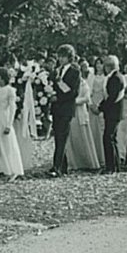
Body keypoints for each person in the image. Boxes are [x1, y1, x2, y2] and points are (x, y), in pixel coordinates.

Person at [0, 67, 24, 183]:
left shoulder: (10, 90)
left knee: (6, 145)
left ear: (2, 77)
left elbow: (12, 108)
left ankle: (12, 170)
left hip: (3, 118)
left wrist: (8, 124)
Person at [48, 44, 80, 177]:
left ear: (70, 58)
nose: (61, 59)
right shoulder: (56, 71)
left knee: (62, 137)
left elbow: (73, 92)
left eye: (64, 56)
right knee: (58, 138)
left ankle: (56, 167)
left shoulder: (74, 71)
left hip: (66, 108)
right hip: (56, 109)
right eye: (59, 56)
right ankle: (63, 166)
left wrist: (58, 98)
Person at [66, 60, 101, 171]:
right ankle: (74, 162)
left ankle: (87, 161)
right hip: (72, 111)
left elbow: (86, 98)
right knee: (72, 136)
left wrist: (74, 101)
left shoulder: (83, 83)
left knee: (83, 137)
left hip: (80, 110)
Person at [98, 55, 125, 173]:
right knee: (111, 138)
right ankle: (115, 165)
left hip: (113, 111)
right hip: (112, 112)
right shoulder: (114, 76)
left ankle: (111, 166)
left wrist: (100, 107)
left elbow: (112, 97)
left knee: (108, 138)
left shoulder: (115, 78)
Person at [88, 56, 106, 167]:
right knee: (93, 130)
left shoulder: (106, 77)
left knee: (102, 129)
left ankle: (103, 155)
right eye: (97, 63)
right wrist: (91, 105)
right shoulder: (92, 77)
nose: (99, 66)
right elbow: (88, 92)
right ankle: (94, 156)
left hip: (103, 103)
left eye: (101, 63)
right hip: (93, 102)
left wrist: (100, 106)